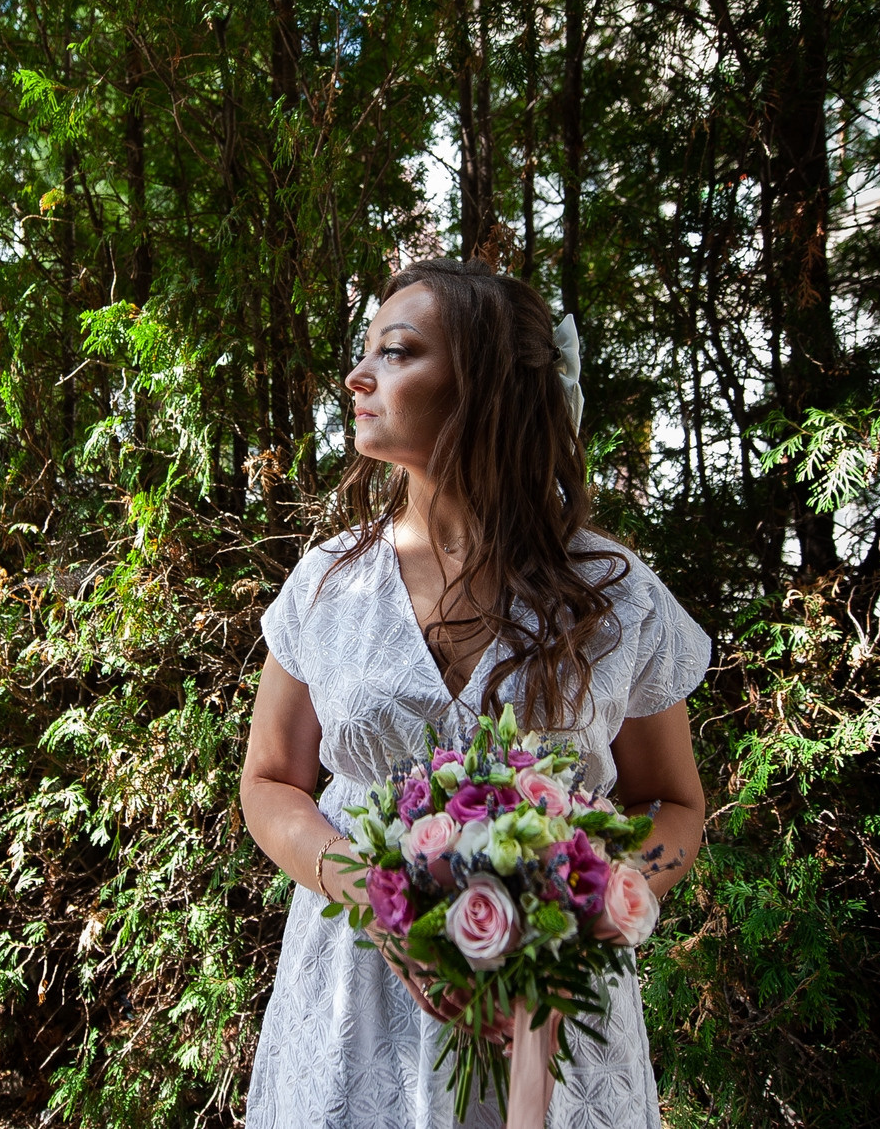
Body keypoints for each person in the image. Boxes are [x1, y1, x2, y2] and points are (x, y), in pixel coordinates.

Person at [240, 258, 712, 1129]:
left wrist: (594, 901)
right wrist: (367, 886)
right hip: (356, 1003)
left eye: (396, 351)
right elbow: (269, 780)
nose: (358, 376)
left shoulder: (615, 595)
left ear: (485, 384)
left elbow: (673, 802)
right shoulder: (327, 586)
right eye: (367, 352)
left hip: (551, 1010)